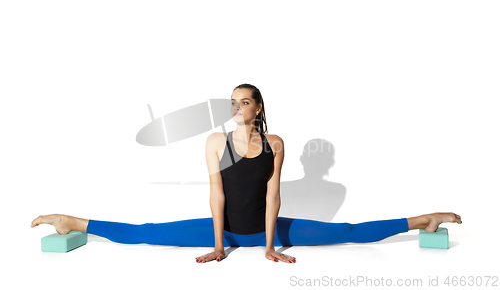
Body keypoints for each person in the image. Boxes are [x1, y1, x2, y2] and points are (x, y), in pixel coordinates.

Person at [31, 83, 462, 264]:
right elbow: (216, 195)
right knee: (145, 230)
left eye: (245, 102)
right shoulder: (215, 143)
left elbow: (274, 195)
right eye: (233, 103)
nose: (237, 108)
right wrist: (219, 245)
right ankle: (74, 222)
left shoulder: (275, 143)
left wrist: (271, 244)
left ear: (258, 107)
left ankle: (421, 220)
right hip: (225, 230)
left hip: (267, 231)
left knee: (348, 230)